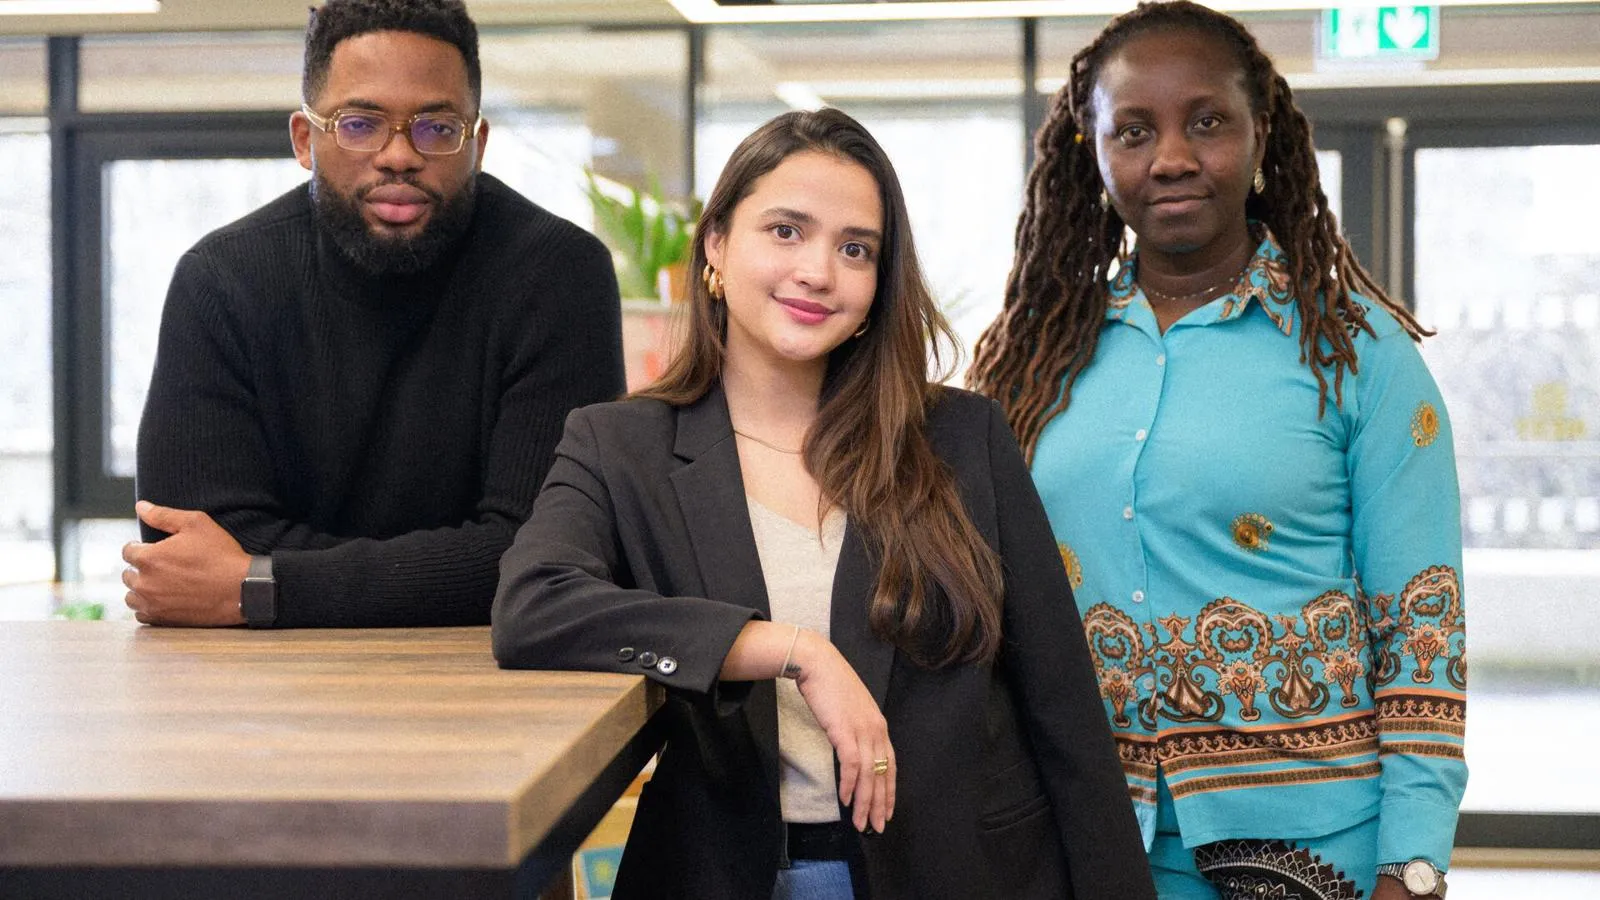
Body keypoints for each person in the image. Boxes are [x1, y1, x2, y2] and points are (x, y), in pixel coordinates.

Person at [492, 108, 1153, 900]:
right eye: (785, 231)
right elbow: (534, 607)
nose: (818, 271)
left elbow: (1066, 715)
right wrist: (790, 650)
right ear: (715, 245)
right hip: (726, 874)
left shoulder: (960, 437)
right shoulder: (620, 444)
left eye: (854, 249)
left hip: (963, 873)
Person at [968, 3, 1466, 899]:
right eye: (1133, 130)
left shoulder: (1358, 352)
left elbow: (1422, 627)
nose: (1171, 157)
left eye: (1206, 121)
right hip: (1083, 832)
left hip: (1316, 843)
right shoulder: (1033, 358)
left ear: (1261, 131)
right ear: (1092, 150)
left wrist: (1415, 866)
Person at [123, 0, 623, 629]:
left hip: (492, 677)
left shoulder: (558, 275)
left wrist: (264, 583)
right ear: (306, 141)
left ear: (478, 145)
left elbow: (546, 556)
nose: (399, 155)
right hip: (258, 686)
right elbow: (186, 554)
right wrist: (442, 570)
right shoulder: (221, 279)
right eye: (359, 124)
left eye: (437, 128)